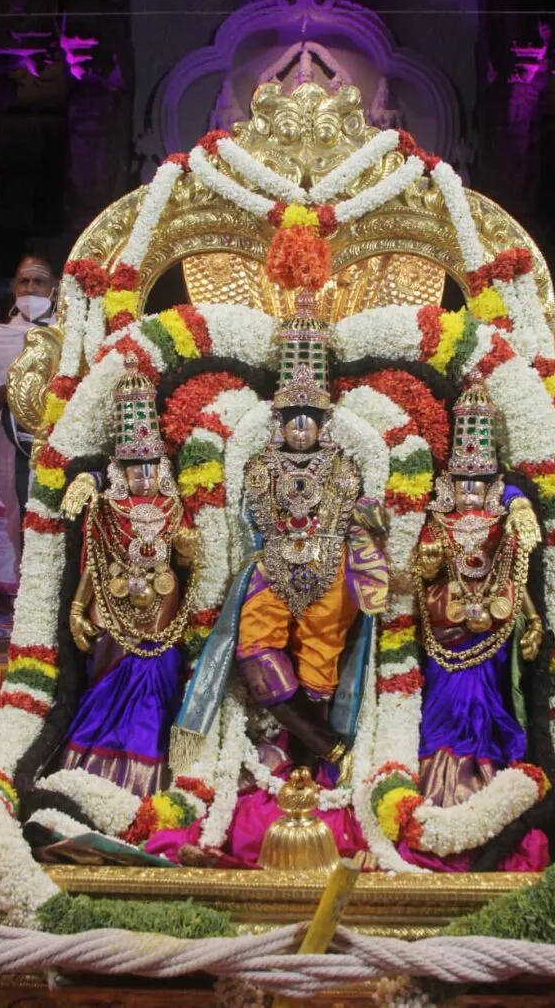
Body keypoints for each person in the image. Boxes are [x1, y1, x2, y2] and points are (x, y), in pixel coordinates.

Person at [175, 291, 389, 782]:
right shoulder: (257, 466)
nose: (298, 429)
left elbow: (363, 516)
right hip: (271, 567)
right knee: (255, 650)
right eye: (291, 419)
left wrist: (369, 520)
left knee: (320, 667)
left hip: (330, 572)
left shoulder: (343, 465)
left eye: (307, 421)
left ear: (321, 424)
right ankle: (329, 748)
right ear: (278, 422)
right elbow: (246, 521)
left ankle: (305, 761)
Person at [58, 353, 196, 796]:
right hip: (112, 608)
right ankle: (93, 766)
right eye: (133, 467)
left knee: (156, 677)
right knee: (108, 687)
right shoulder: (107, 507)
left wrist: (189, 556)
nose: (142, 476)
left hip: (163, 607)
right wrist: (79, 609)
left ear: (162, 467)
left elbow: (189, 567)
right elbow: (94, 565)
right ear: (119, 468)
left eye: (149, 466)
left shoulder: (176, 507)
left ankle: (148, 777)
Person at [413, 375, 543, 808]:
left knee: (488, 702)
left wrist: (533, 616)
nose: (469, 494)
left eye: (478, 485)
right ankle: (440, 772)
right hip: (447, 627)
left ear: (492, 487)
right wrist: (428, 560)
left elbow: (517, 571)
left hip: (491, 627)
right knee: (443, 701)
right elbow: (423, 574)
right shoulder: (437, 521)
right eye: (462, 485)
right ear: (450, 484)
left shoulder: (502, 522)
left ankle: (486, 770)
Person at [0, 255, 58, 600]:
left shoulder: (69, 333)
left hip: (55, 446)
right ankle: (10, 593)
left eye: (39, 281)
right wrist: (8, 393)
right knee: (8, 520)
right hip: (8, 446)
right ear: (13, 288)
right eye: (24, 282)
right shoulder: (0, 338)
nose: (31, 289)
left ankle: (47, 598)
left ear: (55, 287)